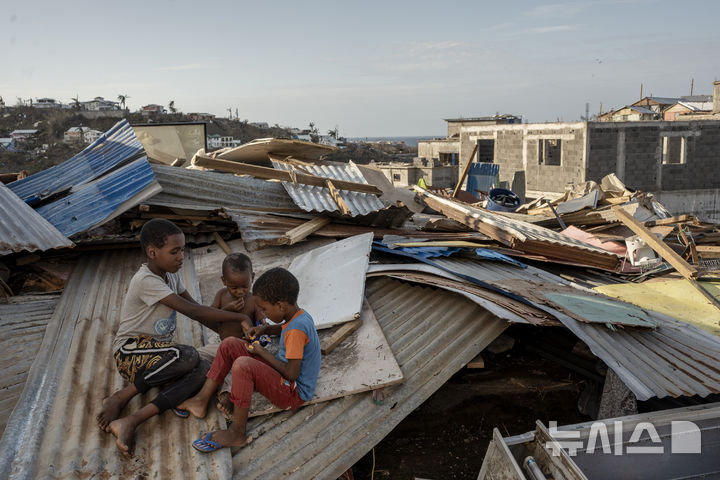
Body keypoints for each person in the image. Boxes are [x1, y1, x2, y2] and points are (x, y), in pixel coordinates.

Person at [96, 218, 253, 457]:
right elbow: (193, 311)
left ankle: (132, 420)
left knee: (206, 367)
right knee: (188, 355)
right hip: (130, 353)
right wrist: (238, 317)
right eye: (174, 251)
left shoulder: (171, 276)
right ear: (153, 252)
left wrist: (233, 338)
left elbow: (199, 311)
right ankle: (120, 397)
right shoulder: (146, 280)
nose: (181, 257)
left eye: (182, 250)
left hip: (161, 357)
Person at [178, 267, 321, 453]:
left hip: (294, 392)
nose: (263, 313)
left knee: (243, 365)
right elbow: (285, 328)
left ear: (280, 306)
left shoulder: (296, 331)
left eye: (264, 309)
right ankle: (201, 400)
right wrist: (266, 329)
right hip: (284, 377)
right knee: (229, 344)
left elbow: (292, 374)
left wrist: (261, 352)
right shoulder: (299, 315)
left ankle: (237, 432)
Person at [197, 252, 267, 417]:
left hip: (243, 349)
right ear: (224, 281)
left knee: (235, 372)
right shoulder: (221, 295)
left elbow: (262, 323)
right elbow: (210, 315)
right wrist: (227, 310)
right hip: (221, 347)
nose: (240, 291)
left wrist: (259, 329)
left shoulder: (253, 300)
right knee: (197, 355)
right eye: (234, 287)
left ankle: (227, 396)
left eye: (244, 286)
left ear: (252, 278)